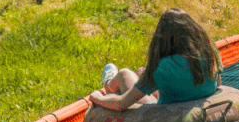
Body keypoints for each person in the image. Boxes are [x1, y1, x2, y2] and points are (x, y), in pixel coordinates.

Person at [91, 7, 224, 110]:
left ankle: (108, 86)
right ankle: (127, 84)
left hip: (165, 114)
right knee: (141, 72)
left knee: (124, 74)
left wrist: (97, 98)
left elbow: (121, 104)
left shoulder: (165, 67)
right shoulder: (210, 52)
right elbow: (217, 84)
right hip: (190, 102)